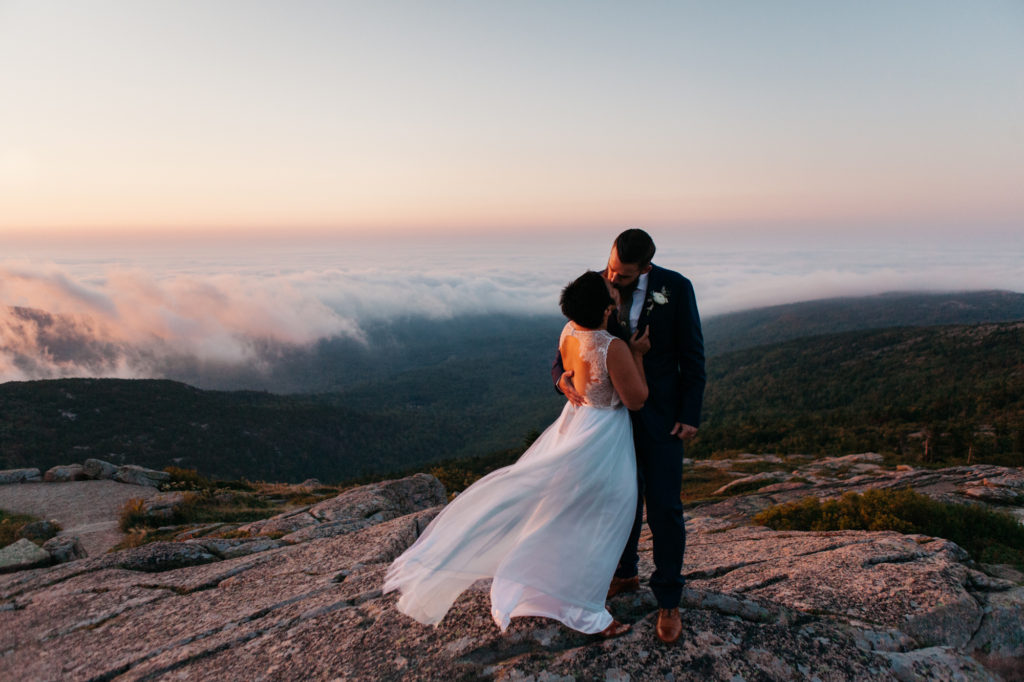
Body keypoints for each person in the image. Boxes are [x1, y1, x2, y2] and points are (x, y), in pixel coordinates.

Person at [384, 271, 650, 637]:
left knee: (561, 512)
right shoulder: (613, 347)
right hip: (603, 436)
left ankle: (548, 586)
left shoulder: (569, 332)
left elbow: (567, 368)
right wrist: (637, 354)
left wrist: (564, 379)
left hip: (574, 424)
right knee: (605, 518)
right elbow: (636, 399)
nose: (615, 290)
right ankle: (587, 611)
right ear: (606, 309)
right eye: (610, 291)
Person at [554, 229, 705, 644]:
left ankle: (669, 599)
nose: (612, 277)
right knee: (618, 502)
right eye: (610, 268)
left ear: (645, 268)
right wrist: (560, 378)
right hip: (609, 423)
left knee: (664, 508)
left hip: (659, 418)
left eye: (622, 274)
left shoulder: (676, 288)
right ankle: (624, 573)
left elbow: (692, 353)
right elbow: (573, 342)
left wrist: (689, 413)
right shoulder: (598, 288)